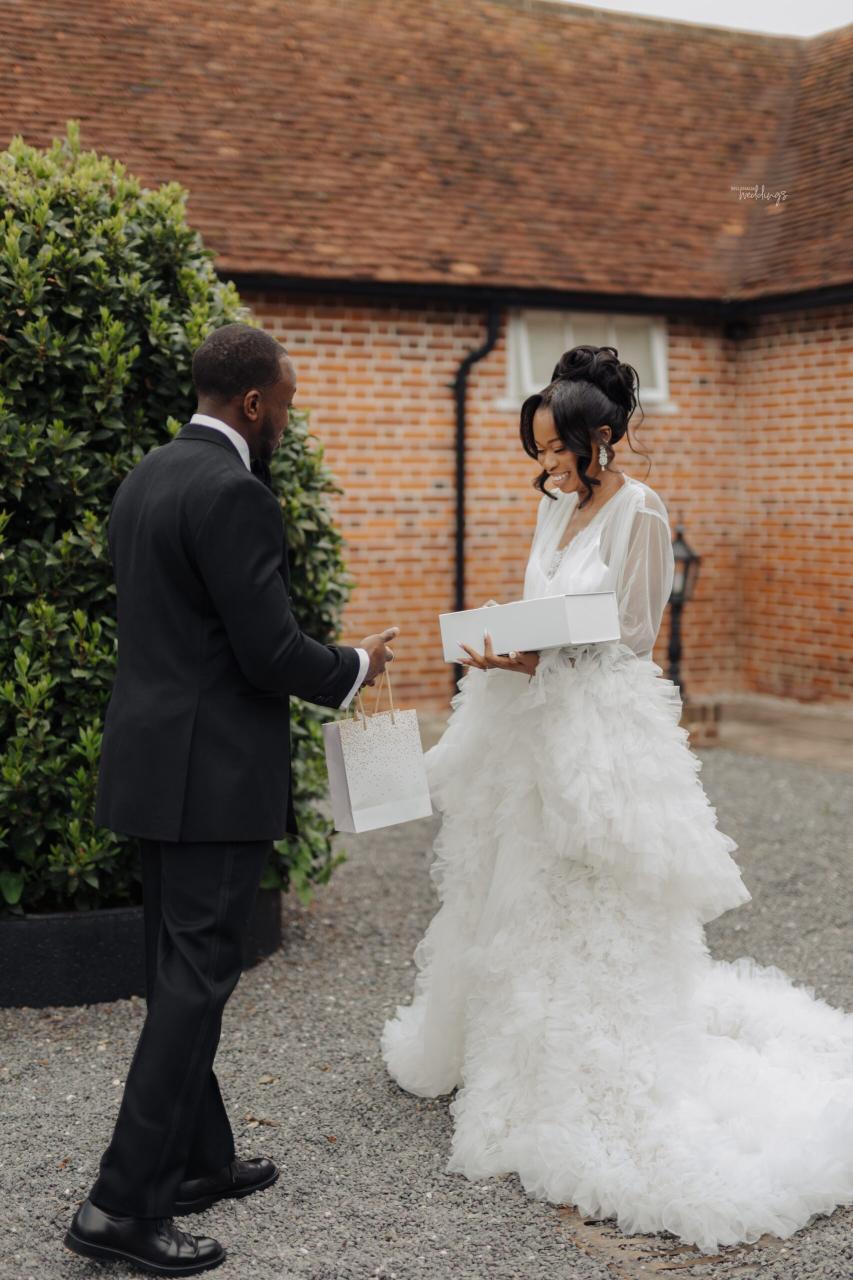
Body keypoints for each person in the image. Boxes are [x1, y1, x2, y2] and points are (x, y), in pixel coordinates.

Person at [381, 344, 853, 1254]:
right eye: (537, 452)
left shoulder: (641, 509)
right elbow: (543, 606)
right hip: (530, 725)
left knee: (585, 892)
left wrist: (537, 654)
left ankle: (592, 1067)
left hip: (593, 732)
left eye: (557, 449)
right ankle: (508, 1054)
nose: (546, 466)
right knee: (513, 890)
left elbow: (634, 634)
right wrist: (506, 647)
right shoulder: (554, 507)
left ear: (600, 435)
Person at [64, 323, 399, 1275]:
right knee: (194, 983)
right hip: (210, 781)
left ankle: (199, 1161)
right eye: (285, 404)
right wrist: (356, 665)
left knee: (176, 971)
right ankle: (121, 1205)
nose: (287, 419)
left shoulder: (146, 477)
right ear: (254, 403)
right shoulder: (234, 491)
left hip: (150, 768)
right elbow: (269, 652)